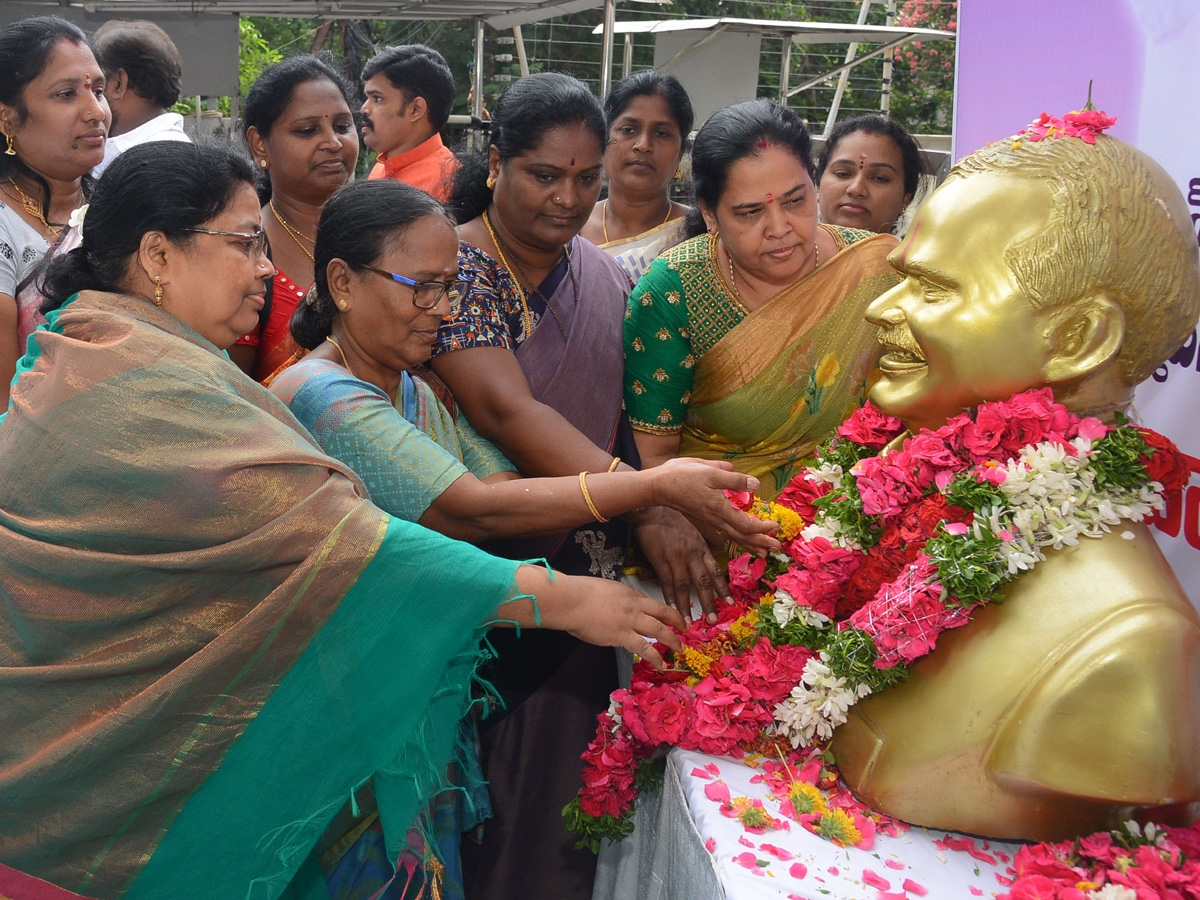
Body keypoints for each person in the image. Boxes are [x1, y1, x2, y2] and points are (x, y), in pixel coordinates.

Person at [0, 139, 687, 900]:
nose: (266, 266)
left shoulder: (99, 349)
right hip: (105, 783)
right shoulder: (153, 385)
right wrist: (575, 594)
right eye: (244, 241)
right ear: (158, 255)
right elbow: (360, 545)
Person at [270, 177, 774, 899]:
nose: (441, 311)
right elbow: (471, 510)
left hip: (403, 697)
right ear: (343, 283)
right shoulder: (327, 395)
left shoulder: (407, 387)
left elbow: (506, 490)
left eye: (449, 288)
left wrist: (632, 507)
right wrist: (650, 489)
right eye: (423, 288)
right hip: (344, 710)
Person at [831, 120, 1200, 841]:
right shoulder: (919, 506)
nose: (882, 309)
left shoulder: (1129, 640)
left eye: (932, 289)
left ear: (1077, 340)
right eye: (900, 275)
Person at [436, 71, 735, 900]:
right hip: (480, 575)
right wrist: (649, 493)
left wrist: (658, 503)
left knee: (557, 812)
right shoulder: (450, 268)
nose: (567, 198)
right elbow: (504, 408)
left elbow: (635, 422)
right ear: (496, 163)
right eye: (543, 174)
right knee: (473, 808)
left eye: (584, 177)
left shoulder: (608, 281)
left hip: (585, 577)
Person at [624, 99, 901, 499]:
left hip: (863, 512)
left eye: (795, 201)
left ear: (815, 183)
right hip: (720, 523)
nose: (779, 228)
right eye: (750, 212)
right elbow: (653, 461)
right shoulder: (673, 290)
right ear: (712, 214)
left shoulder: (878, 271)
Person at [0, 15, 107, 406]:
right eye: (66, 95)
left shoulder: (120, 210)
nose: (95, 111)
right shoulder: (5, 225)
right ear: (6, 117)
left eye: (99, 90)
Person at [233, 55, 359, 382]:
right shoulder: (244, 254)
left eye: (343, 127)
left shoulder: (385, 235)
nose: (333, 142)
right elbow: (233, 395)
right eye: (307, 130)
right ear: (260, 145)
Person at [580, 71, 692, 283]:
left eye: (661, 133)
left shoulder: (698, 232)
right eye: (628, 129)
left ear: (680, 152)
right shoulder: (571, 225)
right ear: (604, 138)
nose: (643, 145)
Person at [92, 19, 188, 179]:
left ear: (118, 83)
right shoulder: (175, 151)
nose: (89, 102)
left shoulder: (151, 162)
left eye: (98, 88)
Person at [361, 44, 457, 201]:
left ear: (416, 109)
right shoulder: (381, 168)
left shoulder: (448, 183)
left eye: (378, 98)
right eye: (367, 98)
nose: (364, 109)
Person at [816, 113, 923, 235]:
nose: (856, 189)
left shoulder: (916, 255)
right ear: (818, 186)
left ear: (905, 199)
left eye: (879, 178)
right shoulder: (790, 251)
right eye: (843, 174)